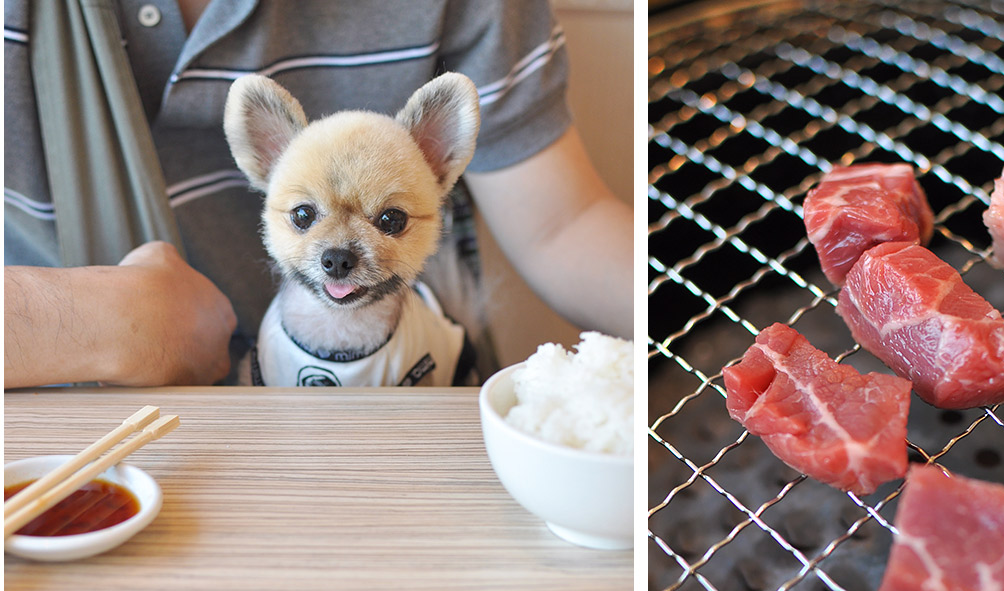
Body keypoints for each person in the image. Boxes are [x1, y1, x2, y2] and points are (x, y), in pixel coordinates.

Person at [3, 0, 632, 388]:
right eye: (305, 217)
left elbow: (563, 222)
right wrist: (84, 321)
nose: (336, 251)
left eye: (388, 219)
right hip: (61, 429)